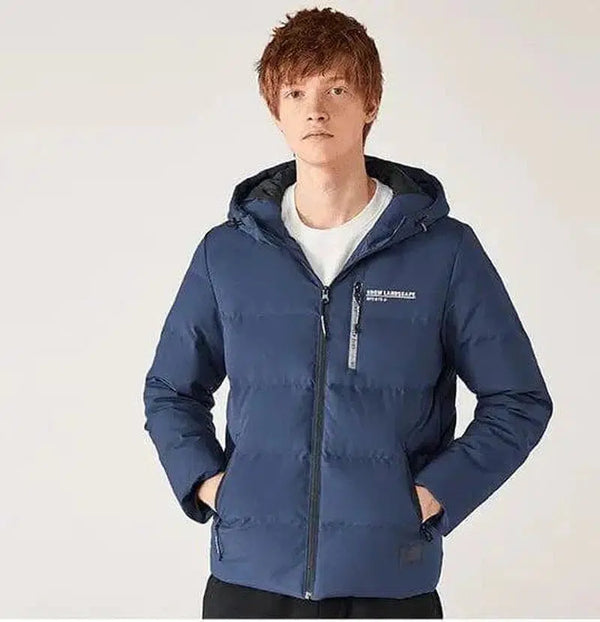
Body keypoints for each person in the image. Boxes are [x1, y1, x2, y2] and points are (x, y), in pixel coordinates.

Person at [142, 6, 553, 619]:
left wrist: (432, 496)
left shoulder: (444, 252)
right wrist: (210, 485)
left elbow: (518, 399)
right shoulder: (226, 253)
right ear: (275, 110)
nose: (315, 109)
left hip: (386, 582)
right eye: (295, 92)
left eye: (336, 88)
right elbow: (171, 390)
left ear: (370, 103)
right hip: (249, 581)